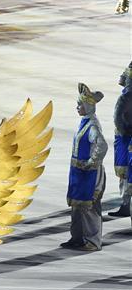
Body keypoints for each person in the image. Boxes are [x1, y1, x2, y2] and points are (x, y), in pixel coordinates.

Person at [61, 83, 107, 252]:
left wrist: (91, 162)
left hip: (89, 174)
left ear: (88, 106)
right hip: (78, 173)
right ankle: (77, 237)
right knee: (77, 207)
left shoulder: (92, 125)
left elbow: (101, 146)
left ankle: (93, 241)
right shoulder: (85, 122)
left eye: (80, 104)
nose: (77, 107)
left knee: (89, 208)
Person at [110, 64, 132, 218]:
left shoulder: (126, 97)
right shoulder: (125, 96)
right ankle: (125, 204)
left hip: (125, 138)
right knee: (123, 173)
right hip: (123, 138)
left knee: (127, 174)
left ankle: (126, 205)